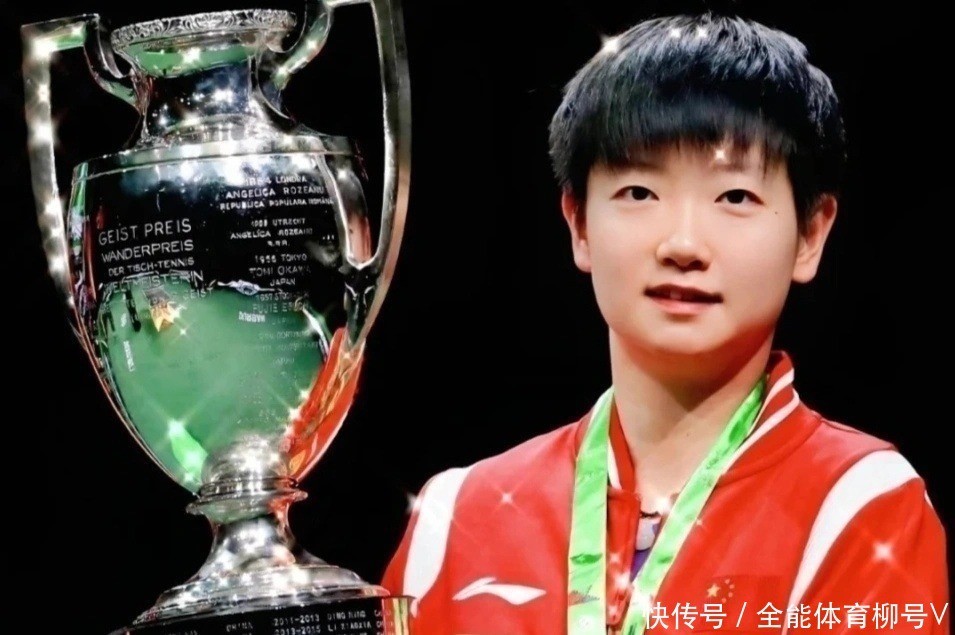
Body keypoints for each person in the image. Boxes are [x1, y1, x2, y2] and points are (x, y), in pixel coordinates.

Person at [381, 11, 949, 635]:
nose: (682, 244)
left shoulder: (858, 507)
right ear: (579, 224)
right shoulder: (456, 517)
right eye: (639, 193)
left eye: (735, 197)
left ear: (810, 235)